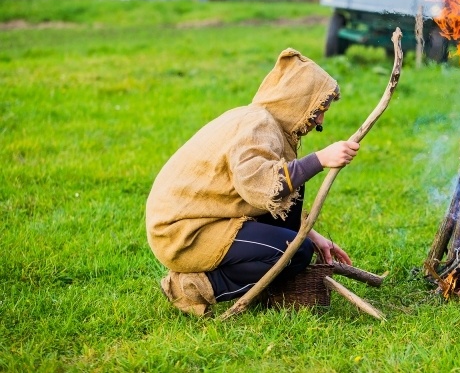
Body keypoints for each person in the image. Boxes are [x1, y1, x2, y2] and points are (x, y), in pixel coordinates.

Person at [146, 48, 359, 316]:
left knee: (298, 223)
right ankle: (192, 287)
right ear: (296, 99)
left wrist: (311, 233)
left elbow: (264, 194)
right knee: (296, 251)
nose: (319, 120)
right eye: (318, 109)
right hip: (183, 233)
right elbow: (262, 184)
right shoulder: (257, 125)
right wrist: (320, 158)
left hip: (206, 219)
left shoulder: (263, 122)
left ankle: (258, 279)